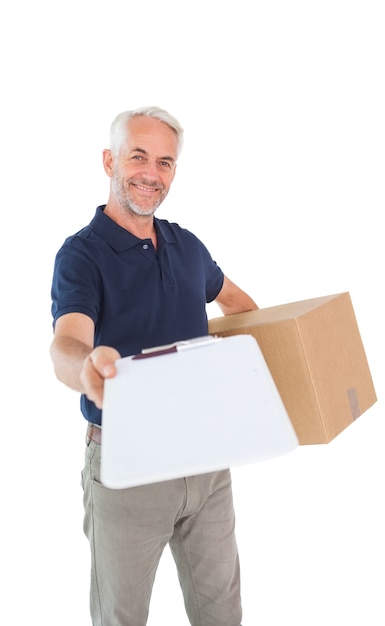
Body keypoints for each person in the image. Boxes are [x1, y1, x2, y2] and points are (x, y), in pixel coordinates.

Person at [50, 106, 258, 626]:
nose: (151, 173)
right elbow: (67, 342)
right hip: (128, 463)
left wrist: (247, 362)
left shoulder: (188, 247)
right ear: (109, 161)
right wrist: (87, 368)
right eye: (138, 156)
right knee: (121, 618)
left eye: (164, 162)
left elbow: (241, 306)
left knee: (223, 615)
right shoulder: (82, 255)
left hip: (207, 458)